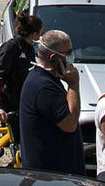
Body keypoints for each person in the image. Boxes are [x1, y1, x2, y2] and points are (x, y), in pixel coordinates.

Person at [19, 29, 82, 175]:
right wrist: (74, 85)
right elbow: (69, 124)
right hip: (50, 177)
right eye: (68, 53)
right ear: (54, 58)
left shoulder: (44, 79)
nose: (72, 57)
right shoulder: (43, 87)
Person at [0, 12, 42, 143]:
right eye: (40, 33)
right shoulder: (11, 47)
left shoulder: (29, 48)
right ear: (34, 34)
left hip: (23, 105)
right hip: (11, 107)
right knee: (16, 145)